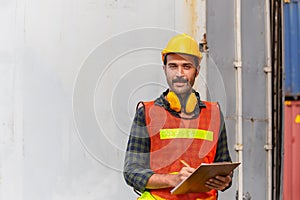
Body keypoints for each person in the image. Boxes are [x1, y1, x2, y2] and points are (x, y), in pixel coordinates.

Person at [123, 33, 233, 200]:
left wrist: (225, 181)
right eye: (173, 66)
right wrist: (173, 179)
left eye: (186, 66)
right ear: (164, 69)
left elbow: (224, 165)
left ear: (197, 71)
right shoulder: (146, 113)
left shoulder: (214, 114)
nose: (179, 73)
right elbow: (132, 172)